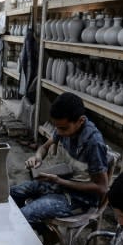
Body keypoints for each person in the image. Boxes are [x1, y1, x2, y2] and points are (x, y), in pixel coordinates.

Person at [11, 92, 109, 234]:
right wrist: (37, 157)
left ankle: (47, 237)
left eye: (62, 128)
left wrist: (59, 181)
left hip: (80, 199)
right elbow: (44, 147)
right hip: (60, 183)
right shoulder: (63, 128)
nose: (58, 132)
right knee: (13, 194)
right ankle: (44, 232)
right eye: (56, 127)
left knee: (24, 216)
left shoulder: (93, 144)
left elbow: (102, 188)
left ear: (80, 121)